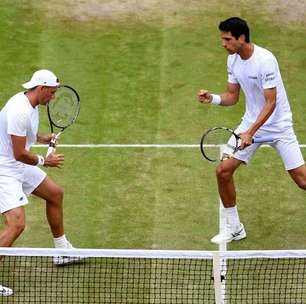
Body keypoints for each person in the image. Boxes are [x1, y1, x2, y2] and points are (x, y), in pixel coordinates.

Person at [198, 17, 306, 244]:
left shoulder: (265, 60)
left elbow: (271, 102)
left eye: (227, 39)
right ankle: (235, 228)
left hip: (278, 127)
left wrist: (250, 133)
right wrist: (213, 99)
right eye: (222, 39)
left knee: (302, 180)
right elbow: (232, 97)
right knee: (223, 172)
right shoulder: (233, 61)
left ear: (241, 38)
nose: (223, 44)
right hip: (250, 124)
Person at [0, 70, 82, 296]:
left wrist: (42, 138)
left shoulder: (31, 105)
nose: (53, 97)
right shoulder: (19, 110)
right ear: (41, 88)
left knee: (55, 194)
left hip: (16, 164)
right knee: (16, 225)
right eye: (52, 92)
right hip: (4, 169)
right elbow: (18, 153)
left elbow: (23, 136)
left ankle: (62, 251)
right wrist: (45, 160)